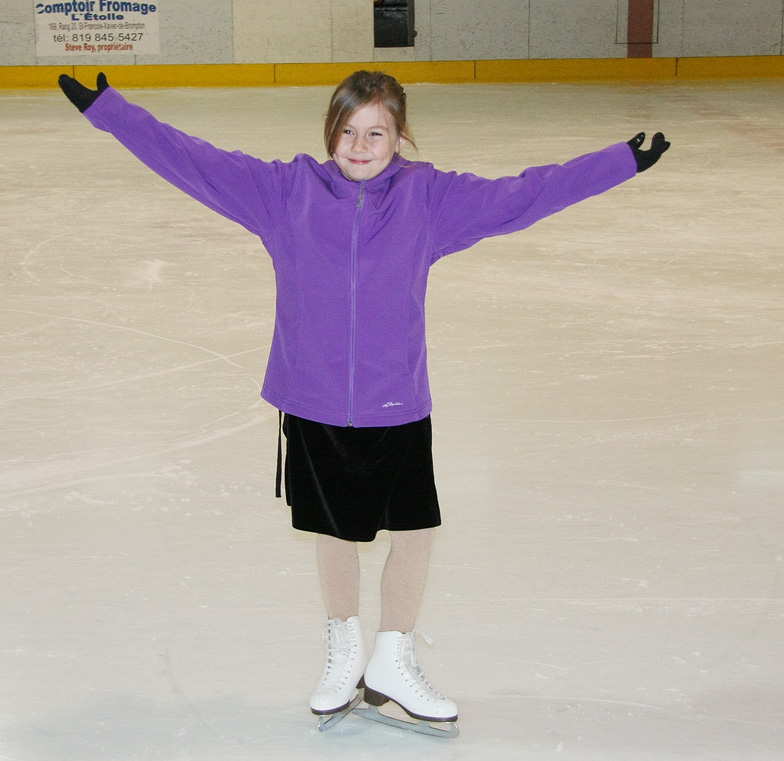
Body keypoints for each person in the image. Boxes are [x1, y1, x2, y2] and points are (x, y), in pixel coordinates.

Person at [58, 70, 669, 736]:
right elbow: (192, 160)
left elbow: (522, 195)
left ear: (399, 136)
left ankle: (391, 659)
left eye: (376, 131)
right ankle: (344, 650)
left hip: (396, 399)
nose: (359, 144)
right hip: (314, 399)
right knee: (334, 531)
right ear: (331, 131)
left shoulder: (428, 197)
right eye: (348, 130)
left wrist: (618, 163)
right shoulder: (284, 191)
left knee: (415, 532)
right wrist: (110, 111)